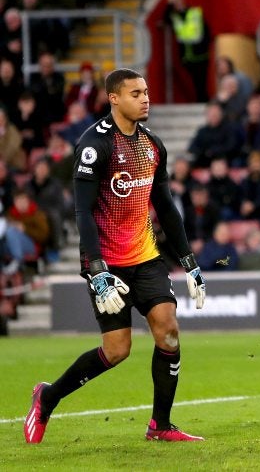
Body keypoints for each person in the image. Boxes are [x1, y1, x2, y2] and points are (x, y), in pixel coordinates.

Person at [24, 68, 208, 444]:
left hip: (146, 256)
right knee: (117, 350)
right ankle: (47, 396)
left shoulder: (153, 145)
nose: (145, 99)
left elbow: (166, 207)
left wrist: (189, 262)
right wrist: (96, 269)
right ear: (114, 98)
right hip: (107, 263)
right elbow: (82, 213)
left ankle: (160, 425)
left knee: (168, 331)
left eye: (146, 91)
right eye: (136, 93)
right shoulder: (94, 146)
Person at [164, 0, 210, 102]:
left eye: (177, 1)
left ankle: (203, 101)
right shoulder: (174, 17)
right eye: (173, 3)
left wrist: (206, 45)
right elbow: (165, 18)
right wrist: (169, 4)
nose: (176, 4)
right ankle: (201, 100)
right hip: (187, 55)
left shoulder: (195, 13)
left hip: (201, 53)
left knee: (201, 80)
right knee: (195, 80)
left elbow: (206, 30)